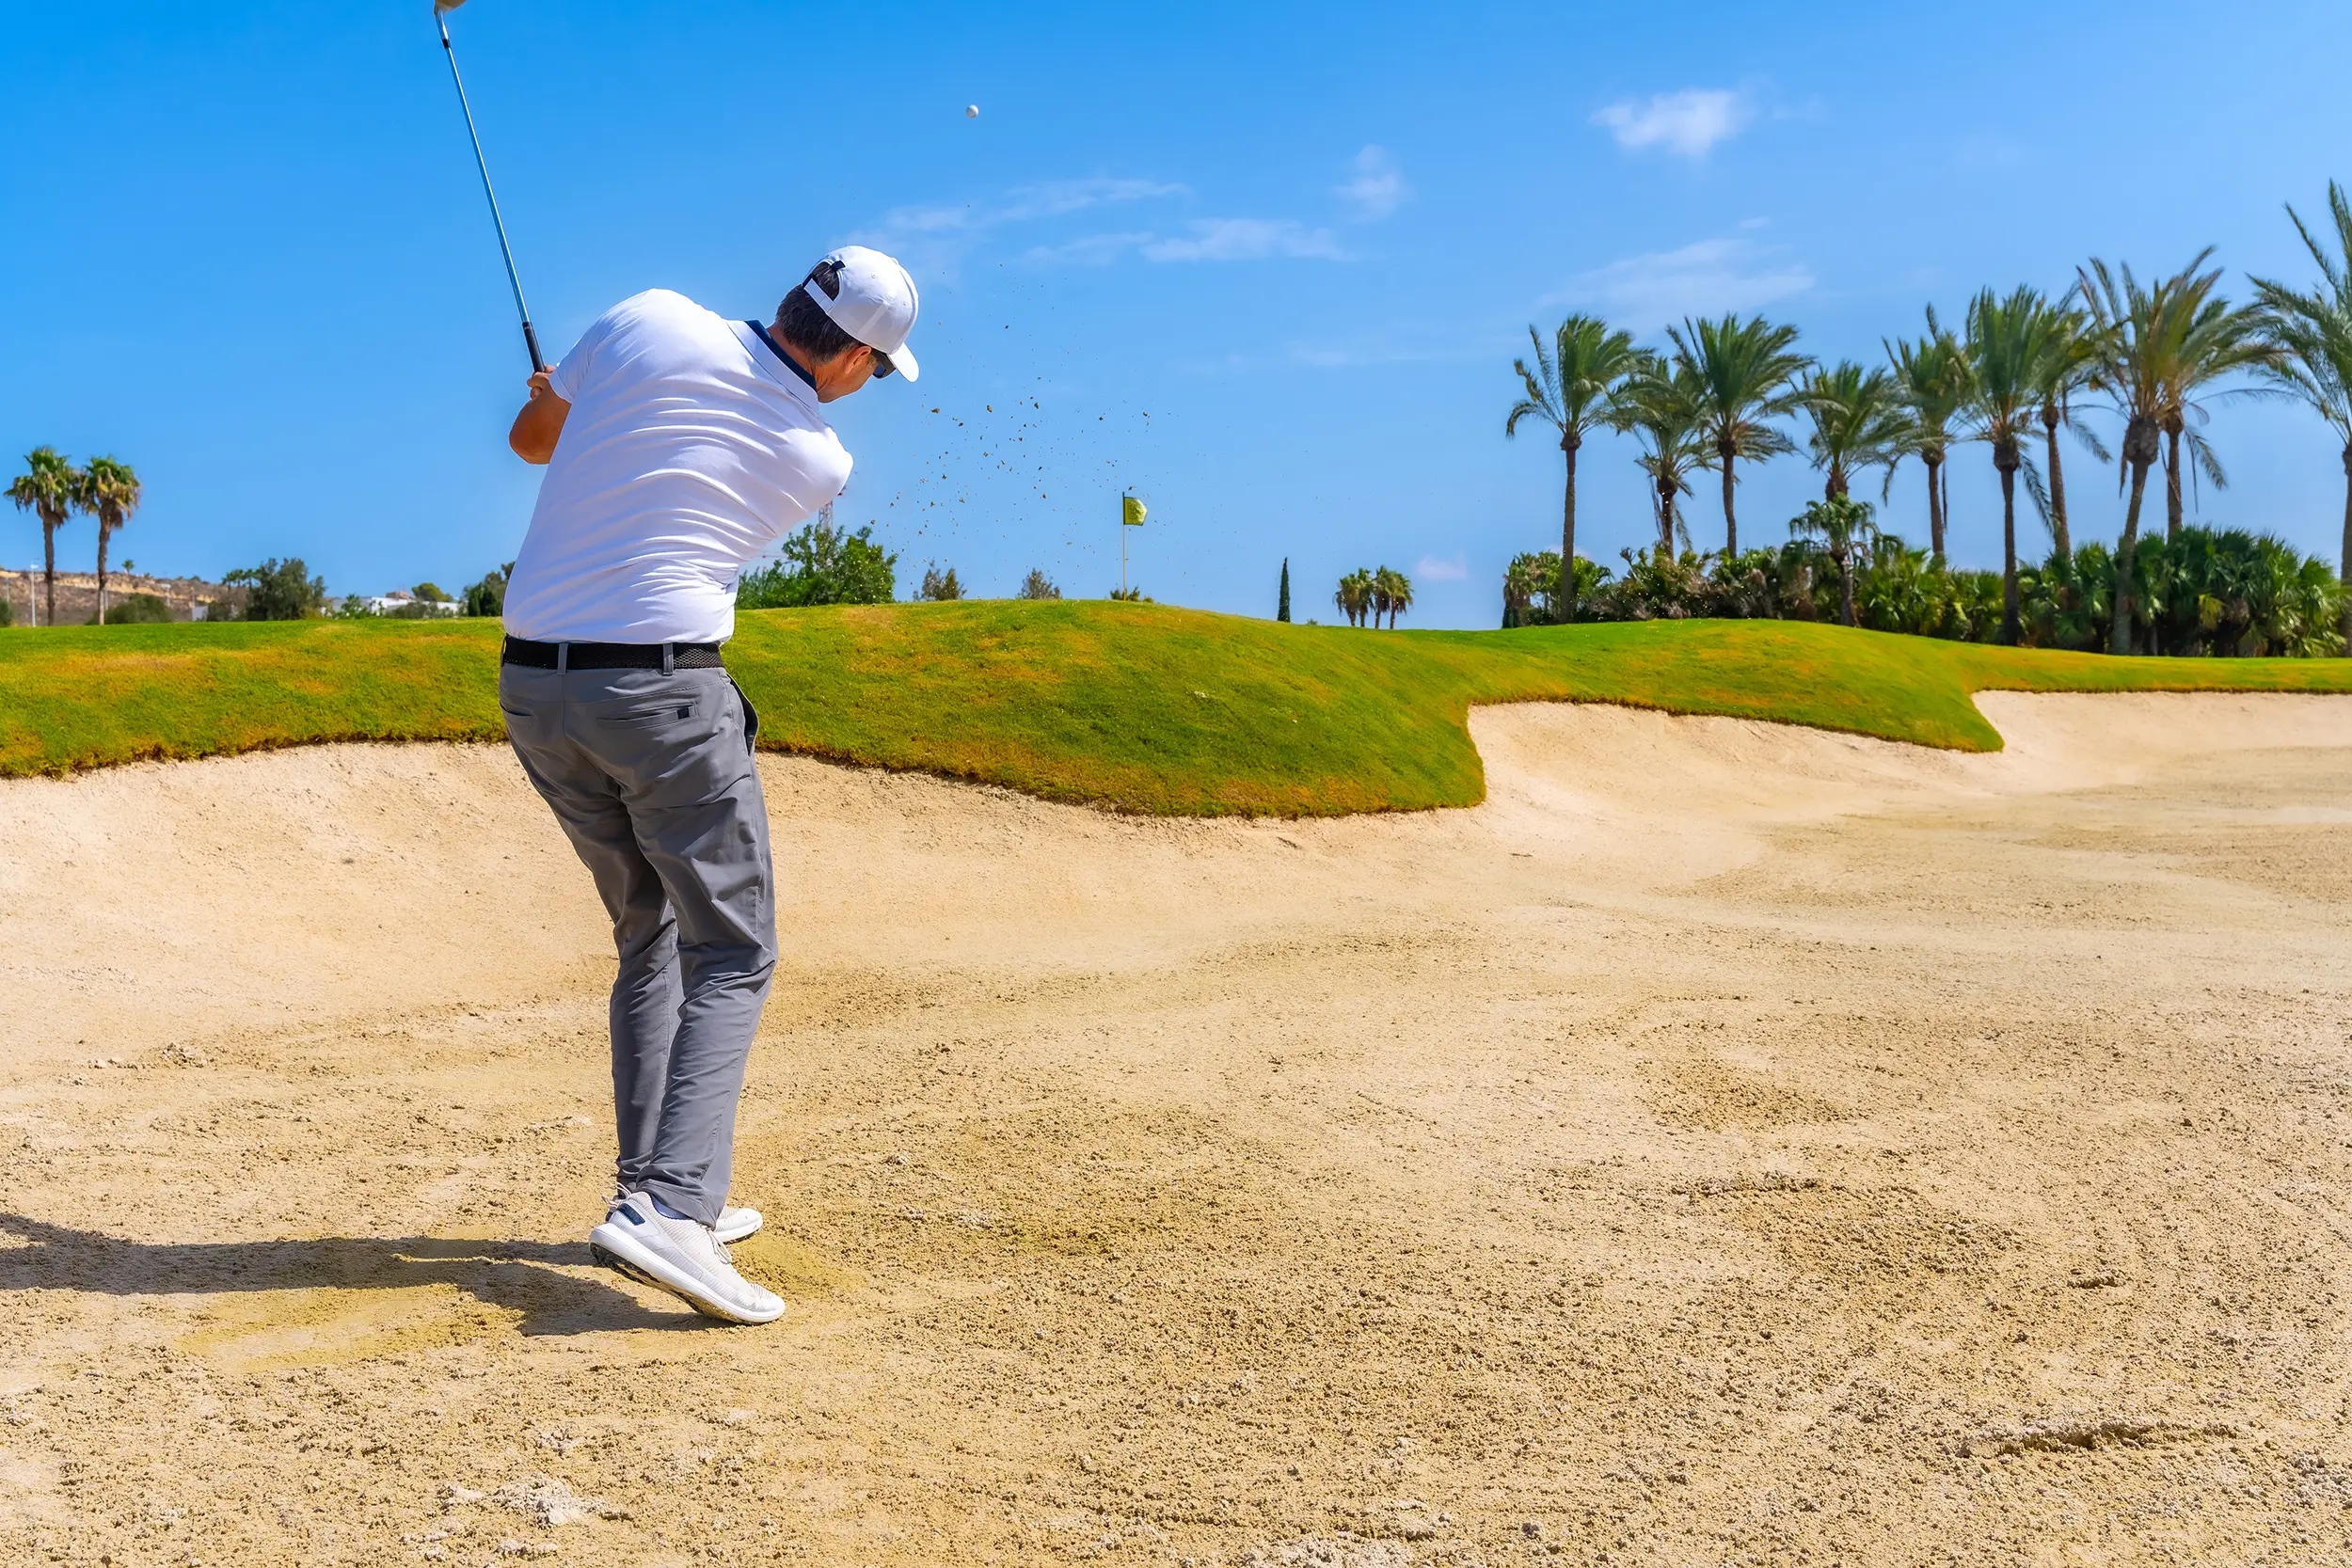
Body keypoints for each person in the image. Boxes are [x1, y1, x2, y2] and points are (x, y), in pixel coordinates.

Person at [498, 246, 921, 1324]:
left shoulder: (645, 315)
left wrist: (554, 392)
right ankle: (672, 1210)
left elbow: (532, 441)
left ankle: (651, 1186)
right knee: (733, 947)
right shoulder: (816, 457)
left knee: (649, 933)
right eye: (879, 368)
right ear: (850, 358)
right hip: (662, 698)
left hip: (533, 689)